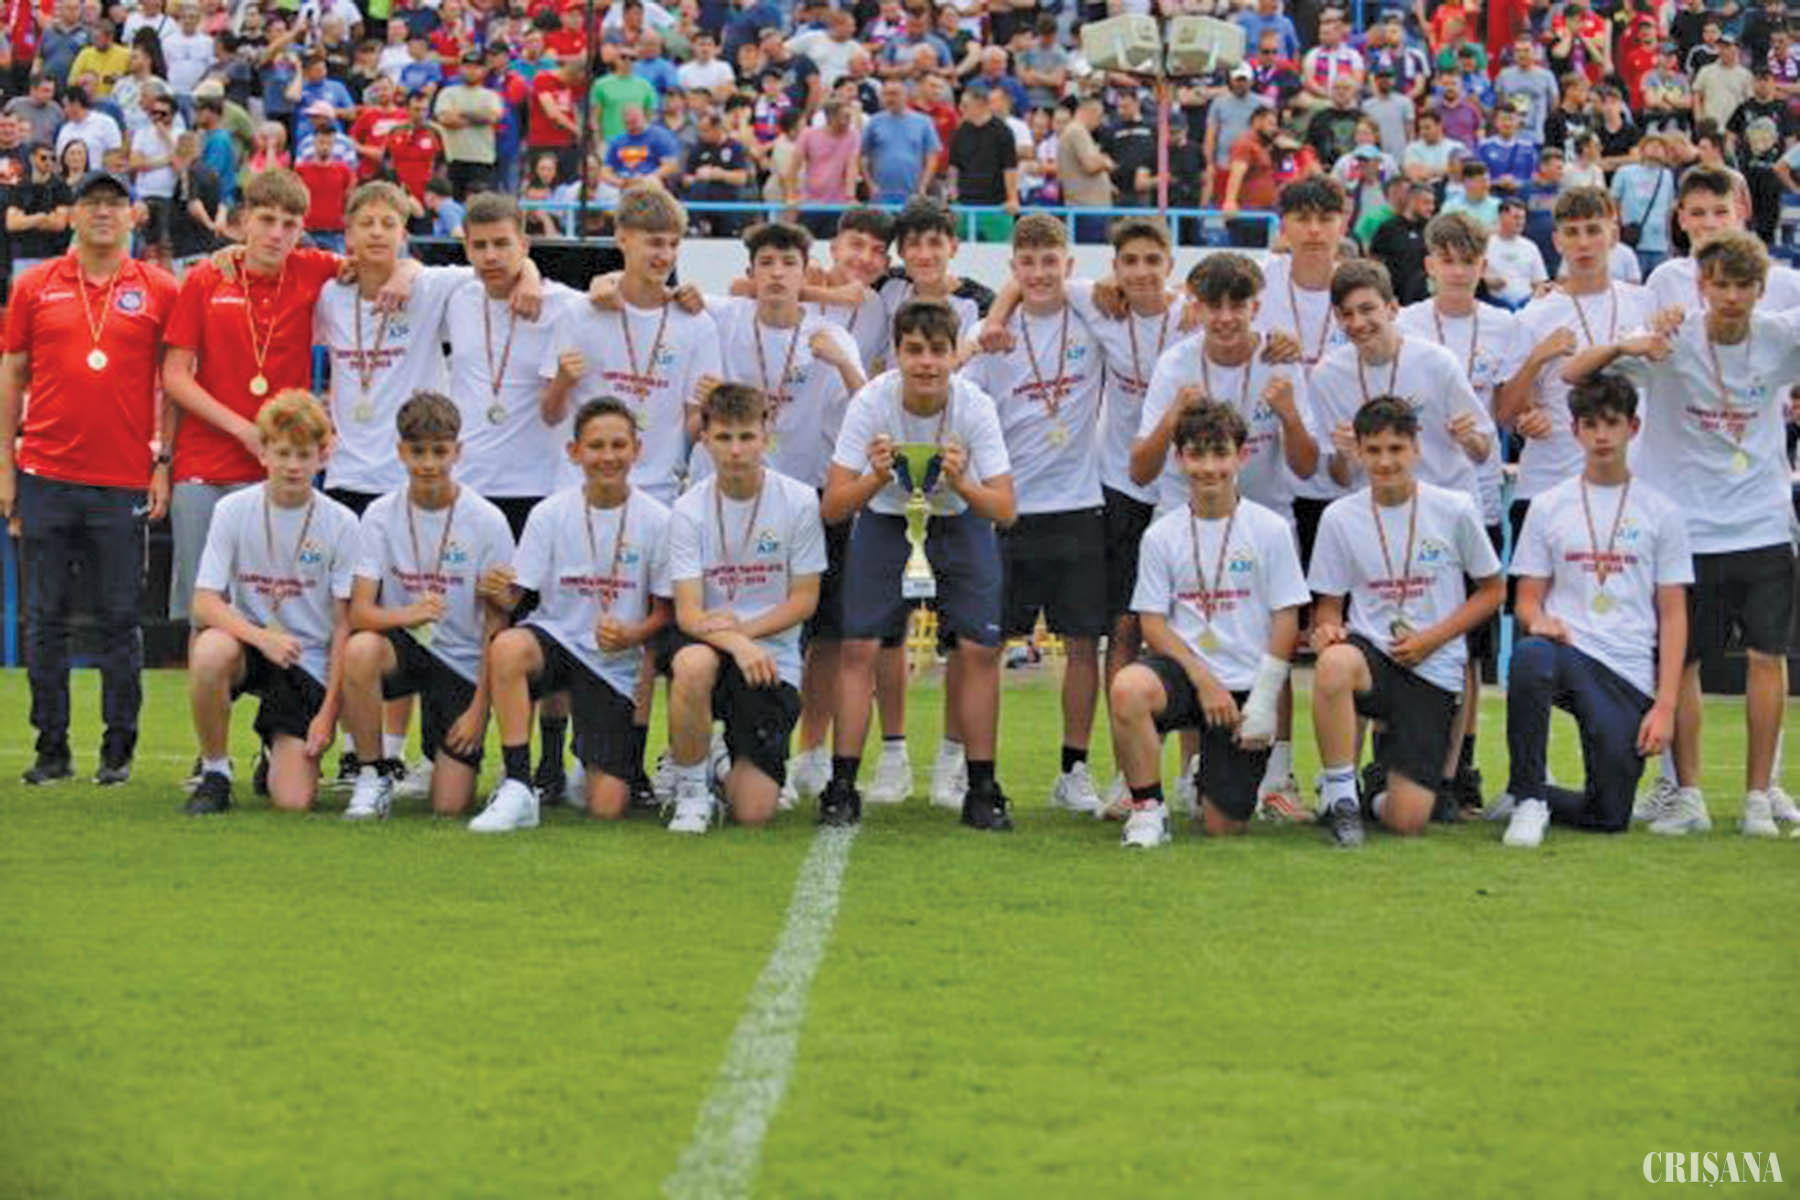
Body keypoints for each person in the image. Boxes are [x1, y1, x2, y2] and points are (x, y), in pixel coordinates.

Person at [1562, 230, 1800, 838]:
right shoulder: (1669, 340)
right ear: (1701, 286)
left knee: (1767, 659)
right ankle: (1687, 794)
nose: (1731, 297)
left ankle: (1758, 797)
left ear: (1761, 289)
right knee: (1684, 663)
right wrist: (1626, 342)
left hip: (1763, 524)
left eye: (1743, 286)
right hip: (1686, 531)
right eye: (1720, 284)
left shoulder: (1780, 337)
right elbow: (1573, 372)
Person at [674, 221, 865, 807]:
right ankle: (695, 751)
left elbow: (869, 413)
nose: (777, 274)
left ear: (808, 272)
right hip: (723, 497)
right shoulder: (721, 318)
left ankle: (808, 752)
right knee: (701, 625)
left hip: (807, 499)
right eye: (767, 264)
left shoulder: (831, 334)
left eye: (789, 263)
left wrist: (844, 366)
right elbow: (657, 293)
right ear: (750, 273)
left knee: (822, 636)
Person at [0, 169, 179, 786]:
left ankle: (118, 748)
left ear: (133, 216)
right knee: (43, 618)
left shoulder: (159, 288)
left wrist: (164, 463)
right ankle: (51, 748)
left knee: (119, 618)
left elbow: (175, 383)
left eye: (114, 203)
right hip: (44, 473)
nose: (103, 212)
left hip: (123, 477)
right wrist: (5, 467)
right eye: (91, 202)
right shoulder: (35, 285)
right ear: (72, 214)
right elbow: (11, 376)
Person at [1131, 252, 1317, 820]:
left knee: (1273, 641)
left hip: (1264, 521)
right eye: (1214, 305)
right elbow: (1140, 469)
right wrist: (1173, 415)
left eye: (1238, 305)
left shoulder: (1280, 360)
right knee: (1188, 638)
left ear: (1256, 306)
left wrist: (1289, 415)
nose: (1226, 317)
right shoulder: (1176, 364)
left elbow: (1307, 466)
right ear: (1197, 306)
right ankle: (1191, 773)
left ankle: (1279, 777)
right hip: (1185, 520)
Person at [821, 300, 1015, 829]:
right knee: (859, 647)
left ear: (955, 355)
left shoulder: (974, 405)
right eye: (914, 350)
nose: (926, 362)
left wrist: (962, 483)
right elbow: (834, 506)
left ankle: (982, 786)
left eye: (937, 350)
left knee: (979, 649)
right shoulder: (871, 401)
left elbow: (1005, 509)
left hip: (958, 522)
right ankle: (841, 785)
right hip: (887, 519)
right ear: (896, 354)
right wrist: (876, 477)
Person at [465, 397, 673, 832]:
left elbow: (665, 614)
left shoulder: (658, 520)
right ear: (574, 452)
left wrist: (631, 634)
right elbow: (515, 598)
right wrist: (494, 587)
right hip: (557, 645)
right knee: (509, 647)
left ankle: (588, 758)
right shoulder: (548, 514)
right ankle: (518, 785)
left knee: (607, 807)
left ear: (637, 450)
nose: (608, 456)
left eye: (618, 445)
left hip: (613, 664)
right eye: (596, 446)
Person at [1499, 374, 1689, 847]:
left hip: (1627, 672)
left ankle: (1528, 793)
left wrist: (1665, 706)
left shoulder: (1663, 511)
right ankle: (1528, 800)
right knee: (1530, 655)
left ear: (1633, 427)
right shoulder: (1547, 505)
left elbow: (1673, 615)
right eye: (1590, 424)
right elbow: (1526, 598)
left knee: (1608, 816)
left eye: (1612, 423)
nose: (1602, 435)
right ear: (1575, 430)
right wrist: (1536, 620)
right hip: (1570, 651)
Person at [1109, 401, 1308, 847]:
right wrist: (1202, 679)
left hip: (1243, 689)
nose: (1208, 467)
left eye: (1220, 453)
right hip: (1185, 675)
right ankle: (1147, 809)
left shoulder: (1271, 529)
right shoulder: (1161, 534)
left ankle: (1209, 772)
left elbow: (1287, 618)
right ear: (1179, 459)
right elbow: (1153, 624)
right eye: (1196, 454)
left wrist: (1264, 700)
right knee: (1128, 687)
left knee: (1223, 826)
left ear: (1242, 457)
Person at [962, 214, 1109, 817]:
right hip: (1009, 512)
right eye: (1028, 262)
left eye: (1051, 261)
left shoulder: (1091, 316)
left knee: (1083, 646)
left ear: (1068, 265)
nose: (1041, 272)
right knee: (986, 649)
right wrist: (990, 324)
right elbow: (959, 391)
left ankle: (1074, 770)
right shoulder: (990, 334)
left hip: (1079, 506)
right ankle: (981, 776)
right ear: (1013, 268)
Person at [1307, 396, 1504, 846]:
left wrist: (1432, 639)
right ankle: (1340, 798)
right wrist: (1328, 630)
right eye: (1373, 450)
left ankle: (1376, 788)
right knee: (1334, 663)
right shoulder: (1339, 517)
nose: (1385, 461)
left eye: (1396, 448)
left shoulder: (1454, 508)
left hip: (1432, 666)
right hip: (1373, 657)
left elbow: (1493, 591)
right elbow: (1329, 605)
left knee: (1407, 820)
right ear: (1358, 452)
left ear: (1416, 448)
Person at [1395, 211, 1524, 813]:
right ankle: (1398, 759)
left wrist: (1483, 441)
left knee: (1467, 647)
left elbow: (1507, 412)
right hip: (1411, 501)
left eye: (1468, 261)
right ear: (1429, 265)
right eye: (1446, 260)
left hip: (1476, 498)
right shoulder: (1406, 323)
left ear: (1482, 266)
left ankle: (1460, 767)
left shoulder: (1504, 326)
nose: (1457, 271)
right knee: (1404, 630)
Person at [183, 390, 359, 815]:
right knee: (209, 649)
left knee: (293, 802)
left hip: (308, 661)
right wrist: (262, 639)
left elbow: (344, 626)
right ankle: (215, 772)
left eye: (304, 454)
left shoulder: (342, 523)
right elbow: (204, 603)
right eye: (282, 453)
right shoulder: (232, 510)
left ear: (323, 456)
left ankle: (272, 747)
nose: (293, 466)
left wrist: (328, 713)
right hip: (252, 647)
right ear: (262, 453)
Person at [340, 392, 515, 820]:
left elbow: (498, 622)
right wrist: (408, 615)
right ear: (400, 451)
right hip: (404, 647)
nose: (429, 463)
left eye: (440, 451)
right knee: (360, 650)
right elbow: (359, 613)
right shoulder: (379, 515)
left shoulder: (487, 519)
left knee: (450, 806)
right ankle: (372, 772)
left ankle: (450, 760)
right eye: (418, 451)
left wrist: (478, 710)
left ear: (458, 451)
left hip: (461, 661)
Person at [663, 383, 825, 834]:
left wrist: (746, 635)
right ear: (705, 439)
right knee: (691, 664)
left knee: (753, 813)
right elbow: (688, 614)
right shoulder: (687, 509)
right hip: (710, 643)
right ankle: (691, 793)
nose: (736, 450)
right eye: (724, 437)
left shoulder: (799, 501)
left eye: (747, 436)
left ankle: (716, 758)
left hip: (771, 654)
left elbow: (804, 600)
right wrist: (736, 644)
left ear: (766, 436)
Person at [1497, 187, 1658, 547]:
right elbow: (1506, 413)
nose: (1583, 243)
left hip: (1628, 490)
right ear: (1557, 241)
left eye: (1593, 230)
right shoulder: (1534, 315)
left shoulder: (1646, 303)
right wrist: (1537, 360)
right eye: (1572, 232)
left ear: (1613, 235)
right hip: (1549, 486)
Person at [443, 193, 585, 539]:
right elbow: (403, 270)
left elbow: (617, 293)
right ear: (466, 250)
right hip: (467, 485)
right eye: (480, 245)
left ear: (524, 245)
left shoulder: (565, 305)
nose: (490, 256)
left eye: (502, 243)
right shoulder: (455, 295)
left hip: (539, 486)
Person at [862, 77, 939, 203]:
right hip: (880, 194)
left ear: (906, 95)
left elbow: (931, 157)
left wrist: (923, 186)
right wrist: (870, 185)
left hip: (913, 194)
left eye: (895, 94)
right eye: (886, 94)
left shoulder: (924, 122)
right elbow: (863, 156)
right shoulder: (874, 122)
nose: (890, 98)